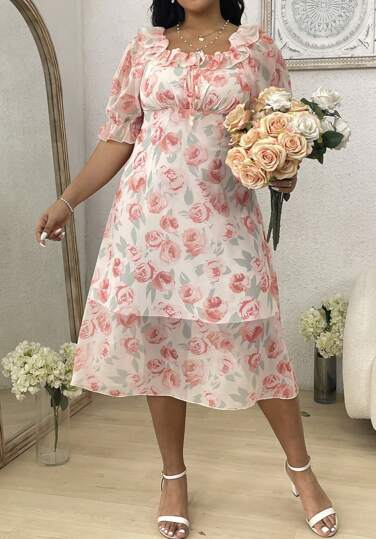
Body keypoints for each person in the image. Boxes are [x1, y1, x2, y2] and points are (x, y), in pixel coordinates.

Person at [35, 1, 338, 538]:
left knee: (258, 341)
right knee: (161, 348)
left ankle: (302, 472)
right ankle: (173, 477)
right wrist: (67, 200)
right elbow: (119, 136)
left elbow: (276, 132)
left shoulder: (259, 50)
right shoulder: (144, 48)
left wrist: (284, 170)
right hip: (148, 222)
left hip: (225, 219)